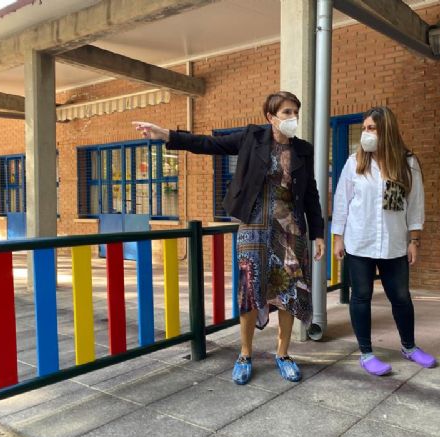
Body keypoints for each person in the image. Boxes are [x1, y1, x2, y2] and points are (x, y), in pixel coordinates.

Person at [133, 91, 325, 386]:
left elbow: (310, 192)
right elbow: (209, 144)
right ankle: (245, 354)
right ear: (270, 117)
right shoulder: (252, 137)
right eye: (286, 112)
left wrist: (319, 233)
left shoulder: (303, 150)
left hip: (290, 230)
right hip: (253, 227)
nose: (293, 118)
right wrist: (167, 135)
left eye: (295, 112)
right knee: (249, 290)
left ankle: (283, 354)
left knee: (289, 292)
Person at [331, 106, 436, 376]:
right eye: (364, 128)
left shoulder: (408, 163)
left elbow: (415, 205)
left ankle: (409, 347)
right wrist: (338, 237)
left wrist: (414, 239)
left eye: (371, 128)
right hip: (360, 242)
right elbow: (342, 201)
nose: (366, 133)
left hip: (394, 244)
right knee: (361, 296)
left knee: (401, 297)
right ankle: (366, 353)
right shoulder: (355, 162)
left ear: (386, 131)